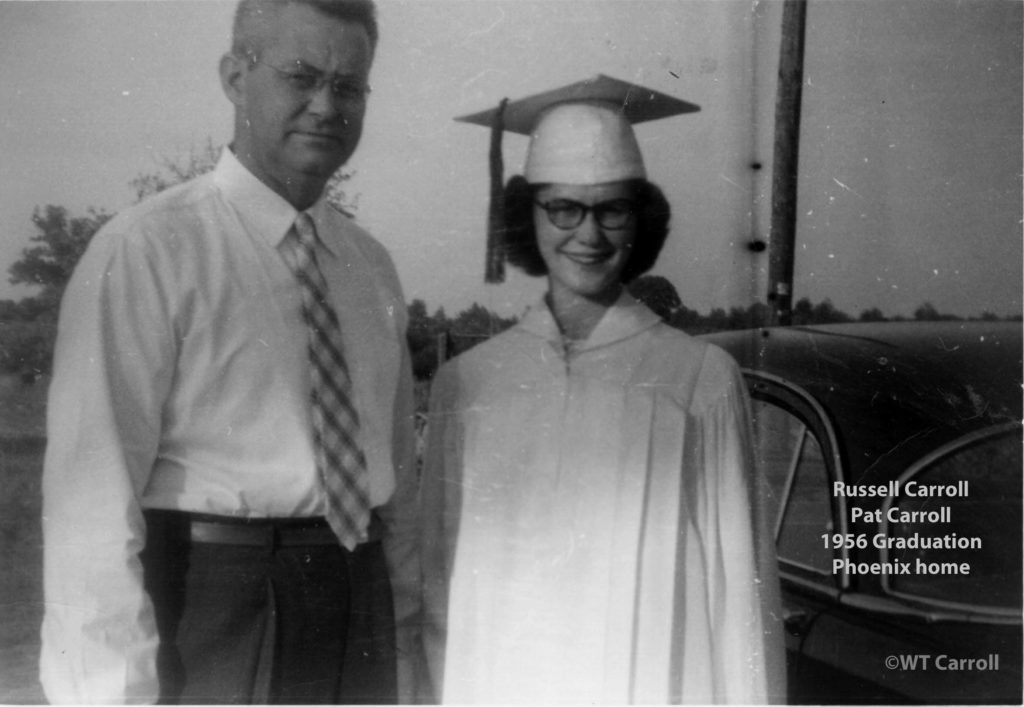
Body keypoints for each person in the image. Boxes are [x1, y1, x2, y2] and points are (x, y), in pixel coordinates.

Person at [39, 0, 419, 702]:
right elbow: (89, 506)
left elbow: (393, 481)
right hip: (215, 607)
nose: (325, 104)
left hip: (356, 597)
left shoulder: (371, 267)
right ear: (235, 77)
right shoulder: (147, 250)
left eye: (349, 86)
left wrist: (402, 643)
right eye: (300, 75)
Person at [419, 75, 785, 703]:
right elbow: (433, 591)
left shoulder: (698, 381)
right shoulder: (468, 384)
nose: (588, 236)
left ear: (639, 220)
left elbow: (741, 605)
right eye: (562, 207)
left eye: (612, 209)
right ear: (525, 214)